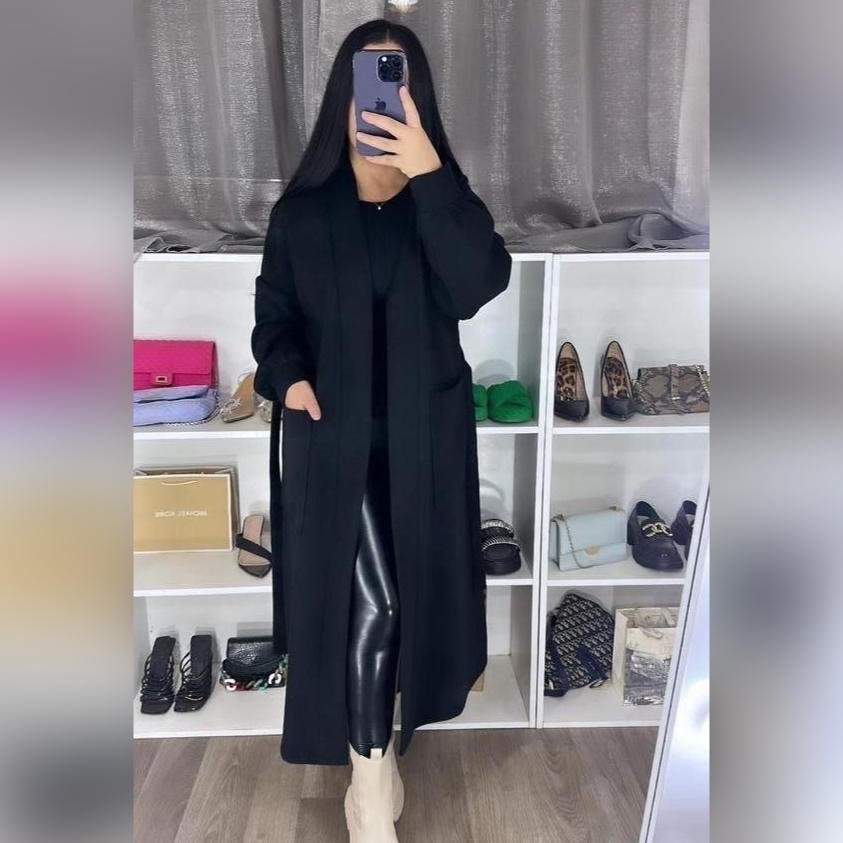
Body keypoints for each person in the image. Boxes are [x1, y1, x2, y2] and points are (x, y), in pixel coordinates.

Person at [252, 18, 511, 842]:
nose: (380, 101)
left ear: (416, 98)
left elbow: (476, 284)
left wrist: (429, 173)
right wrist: (287, 374)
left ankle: (378, 757)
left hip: (422, 441)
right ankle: (368, 787)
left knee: (414, 602)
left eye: (395, 83)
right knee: (379, 603)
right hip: (334, 443)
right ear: (343, 98)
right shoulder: (301, 214)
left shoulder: (441, 203)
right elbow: (273, 319)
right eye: (367, 83)